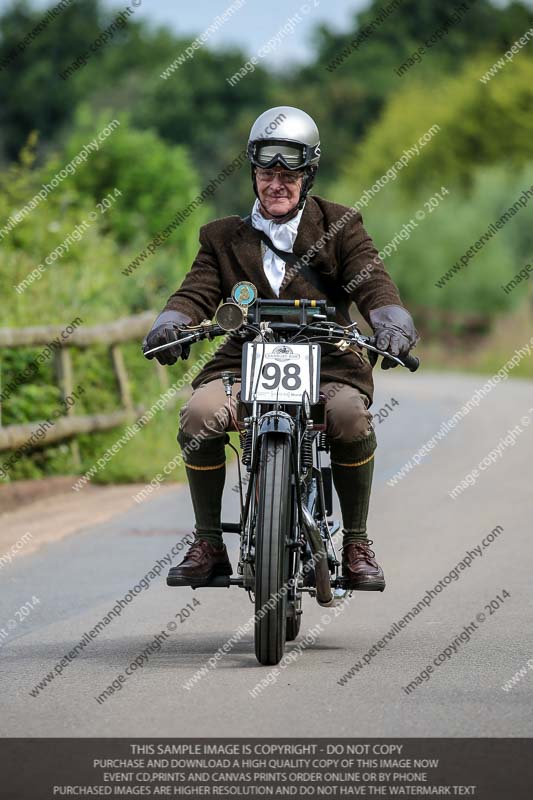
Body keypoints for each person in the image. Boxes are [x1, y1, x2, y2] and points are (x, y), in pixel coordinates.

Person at [143, 105, 418, 591]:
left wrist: (392, 323)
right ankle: (208, 543)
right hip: (244, 359)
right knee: (199, 413)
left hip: (329, 360)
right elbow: (194, 292)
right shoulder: (221, 236)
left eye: (289, 175)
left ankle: (356, 543)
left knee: (351, 417)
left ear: (308, 177)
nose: (277, 184)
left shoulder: (341, 225)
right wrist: (171, 322)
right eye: (267, 172)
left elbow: (373, 283)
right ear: (253, 173)